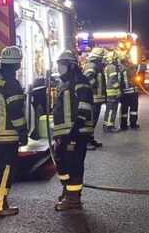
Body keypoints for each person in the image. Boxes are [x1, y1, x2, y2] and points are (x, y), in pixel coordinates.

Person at [0, 46, 27, 216]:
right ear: (16, 65)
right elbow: (15, 112)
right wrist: (23, 132)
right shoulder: (12, 84)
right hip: (7, 135)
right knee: (5, 170)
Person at [52, 50, 94, 211]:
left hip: (77, 132)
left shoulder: (79, 81)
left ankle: (73, 199)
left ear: (70, 66)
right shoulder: (63, 83)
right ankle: (67, 190)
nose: (59, 68)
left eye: (61, 65)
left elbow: (84, 107)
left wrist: (74, 134)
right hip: (64, 133)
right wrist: (58, 135)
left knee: (74, 165)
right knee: (62, 163)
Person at [83, 47, 106, 148]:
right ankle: (86, 141)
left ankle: (90, 139)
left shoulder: (96, 65)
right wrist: (95, 85)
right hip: (93, 97)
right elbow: (88, 77)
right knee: (90, 121)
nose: (103, 60)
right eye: (102, 58)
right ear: (98, 58)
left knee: (94, 120)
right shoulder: (92, 65)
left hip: (97, 98)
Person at [118, 50, 140, 129]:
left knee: (133, 108)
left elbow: (139, 68)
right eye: (128, 57)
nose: (129, 58)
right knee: (125, 108)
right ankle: (125, 124)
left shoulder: (130, 66)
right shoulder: (122, 68)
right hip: (127, 92)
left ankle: (131, 123)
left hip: (132, 91)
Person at [103, 50, 122, 132]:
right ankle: (109, 126)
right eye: (117, 58)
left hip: (109, 92)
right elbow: (113, 80)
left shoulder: (109, 67)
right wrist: (118, 89)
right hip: (112, 92)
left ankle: (106, 124)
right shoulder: (112, 67)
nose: (118, 60)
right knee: (112, 109)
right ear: (113, 59)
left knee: (109, 109)